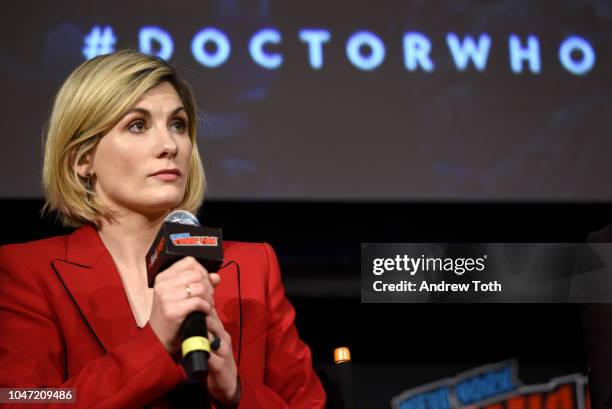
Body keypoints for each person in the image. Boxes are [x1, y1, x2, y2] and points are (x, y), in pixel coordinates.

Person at [0, 50, 326, 408]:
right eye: (137, 125)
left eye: (178, 125)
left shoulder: (253, 265)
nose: (169, 146)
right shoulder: (28, 270)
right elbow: (23, 401)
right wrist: (154, 343)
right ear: (83, 158)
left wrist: (236, 390)